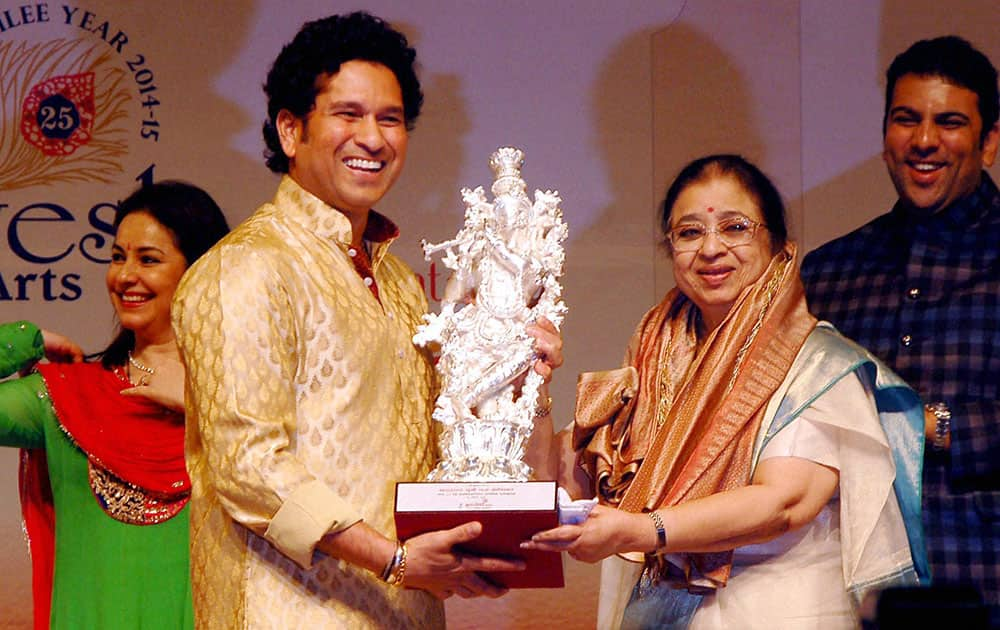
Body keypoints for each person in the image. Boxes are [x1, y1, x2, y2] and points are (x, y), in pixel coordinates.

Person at [171, 11, 561, 629]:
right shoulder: (247, 268)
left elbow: (446, 456)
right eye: (348, 115)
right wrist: (397, 560)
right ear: (291, 130)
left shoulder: (403, 284)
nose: (374, 139)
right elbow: (249, 466)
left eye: (391, 119)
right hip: (288, 613)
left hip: (404, 611)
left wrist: (520, 379)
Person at [522, 155, 928, 629]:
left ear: (777, 244)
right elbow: (556, 488)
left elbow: (784, 502)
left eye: (735, 227)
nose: (711, 248)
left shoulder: (817, 363)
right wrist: (534, 385)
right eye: (690, 233)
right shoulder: (655, 361)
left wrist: (640, 530)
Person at [801, 36, 1000, 620]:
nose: (924, 141)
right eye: (906, 119)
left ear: (989, 141)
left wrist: (930, 426)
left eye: (950, 122)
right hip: (851, 598)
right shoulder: (830, 272)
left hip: (985, 584)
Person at [0, 180, 230, 629]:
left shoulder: (248, 406)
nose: (124, 276)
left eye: (148, 259)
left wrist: (206, 413)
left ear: (199, 271)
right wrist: (26, 340)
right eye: (117, 257)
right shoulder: (69, 397)